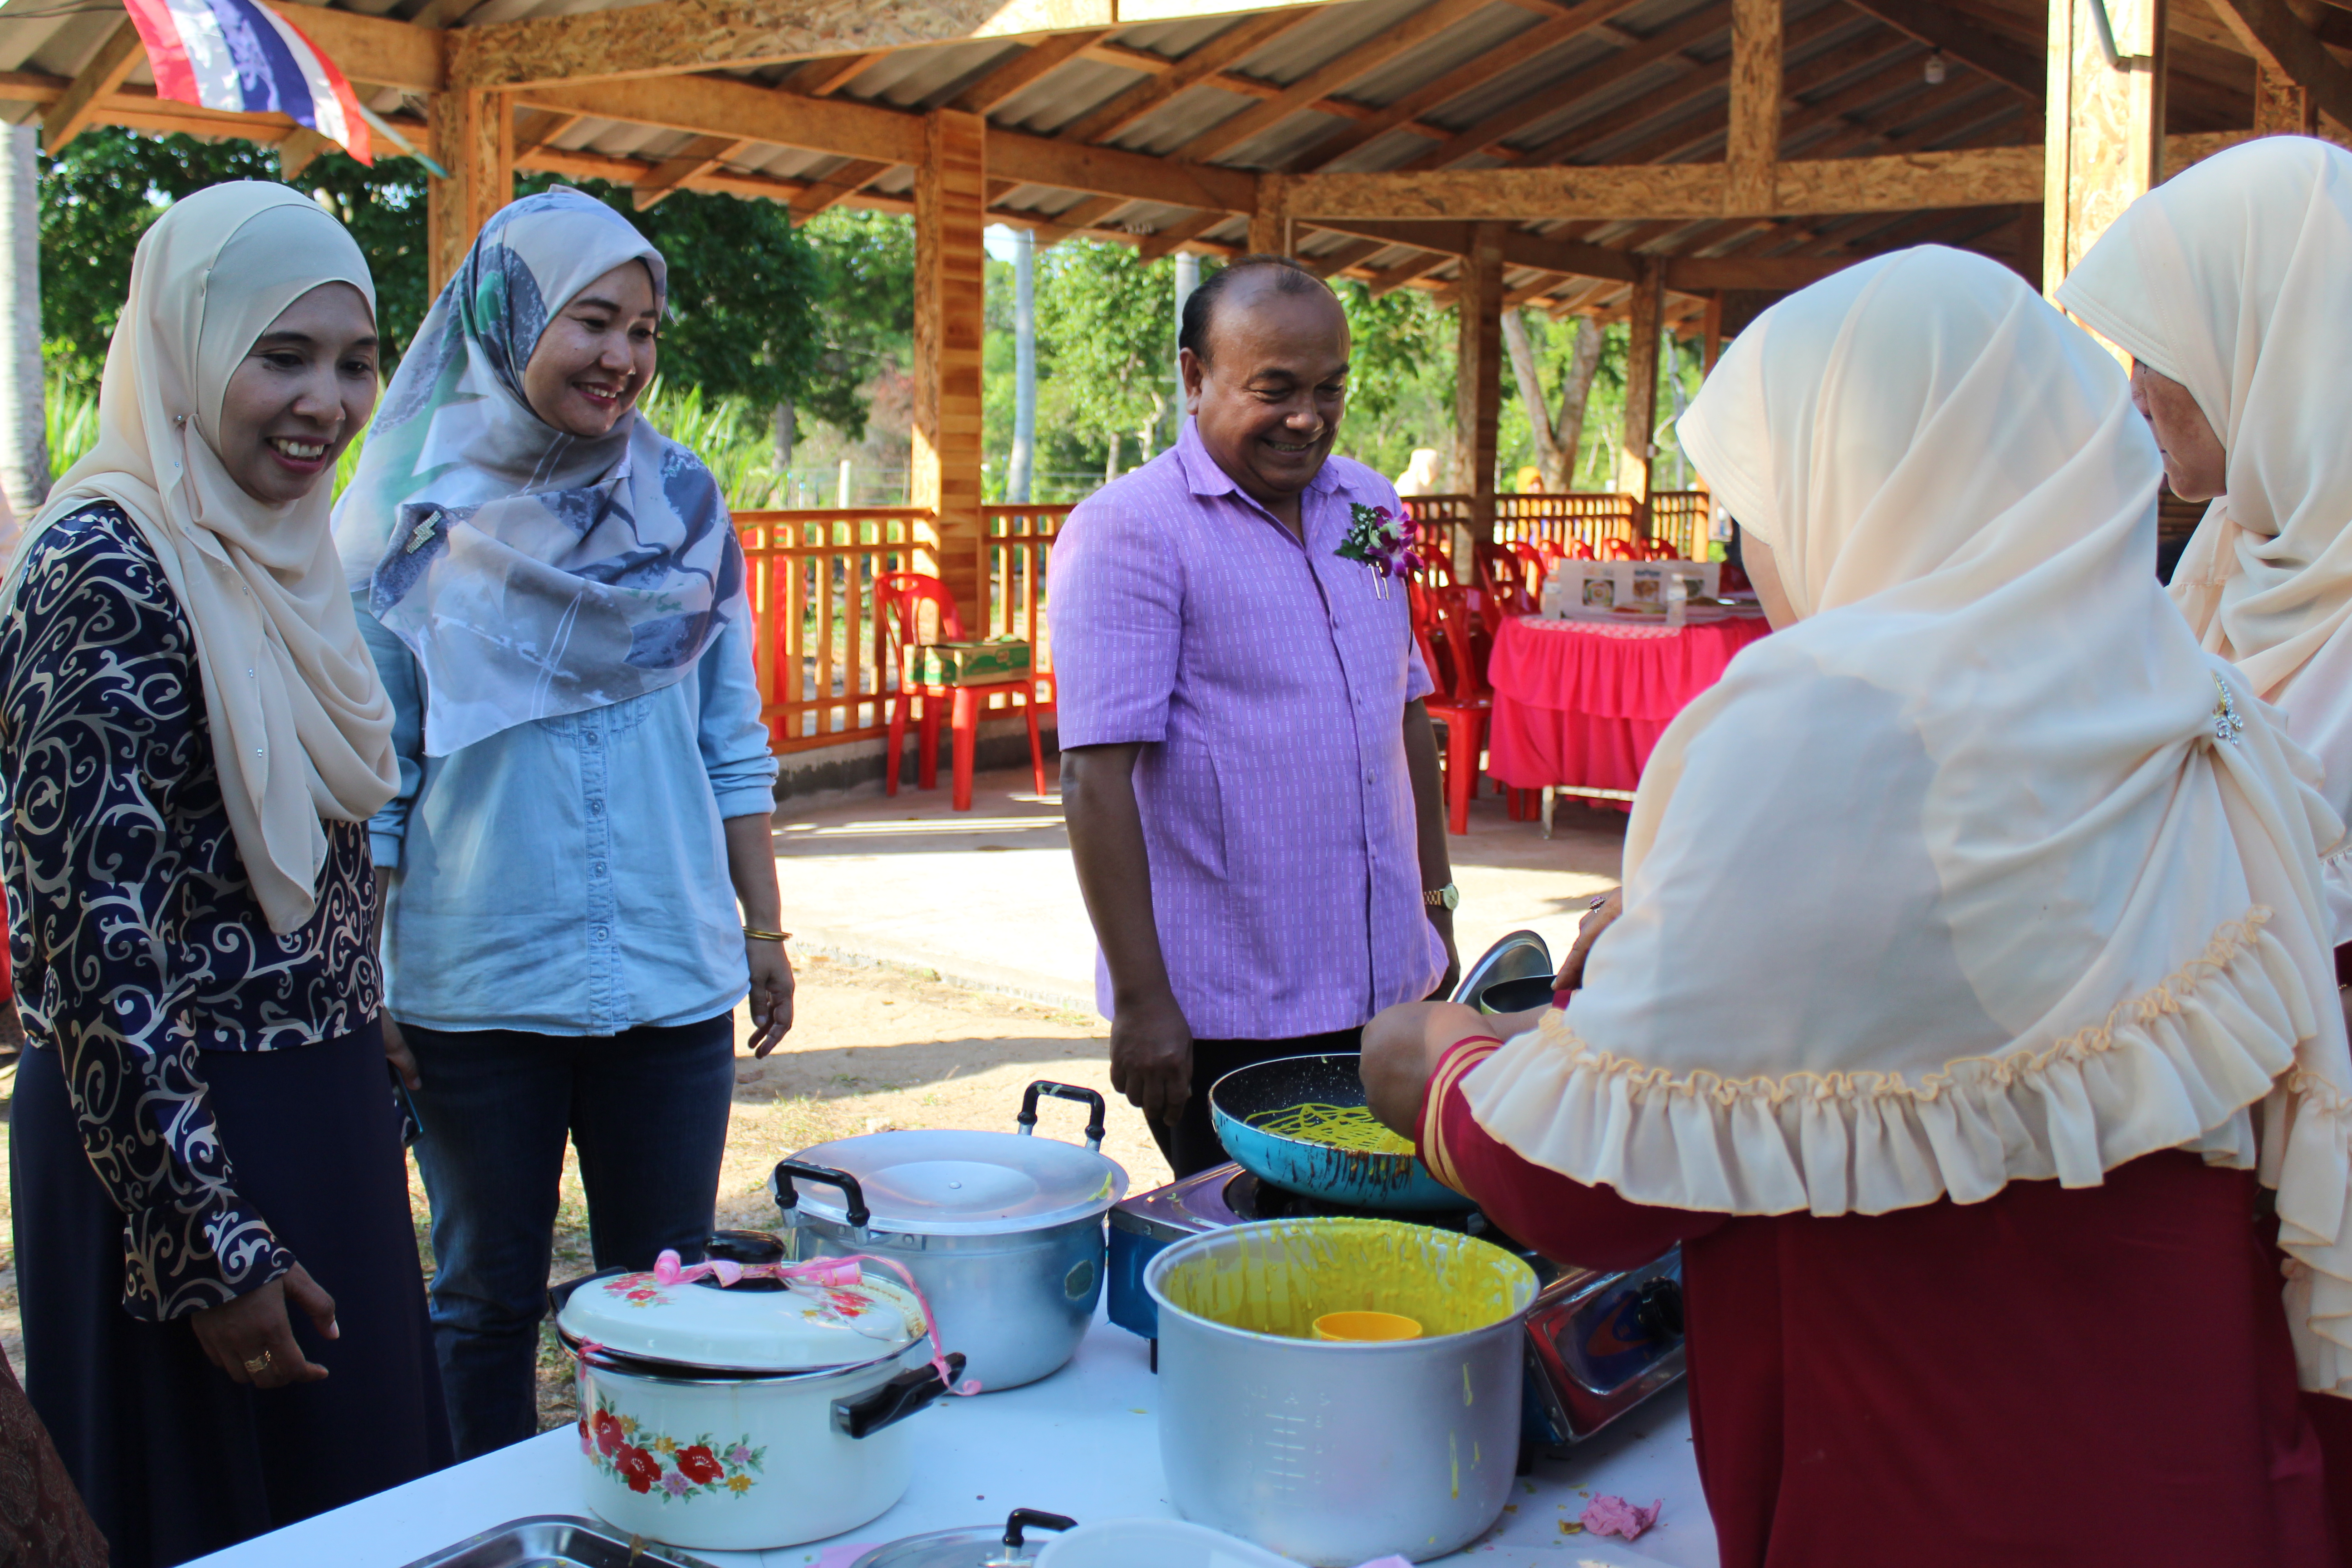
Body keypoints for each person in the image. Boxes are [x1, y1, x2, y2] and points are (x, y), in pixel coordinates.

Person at [1361, 246, 2352, 1566]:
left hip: (1924, 1480)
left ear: (1856, 483)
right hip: (2195, 1462)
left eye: (1753, 507)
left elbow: (1588, 1183)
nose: (1754, 552)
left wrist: (1440, 1068)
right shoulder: (2202, 697)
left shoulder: (1821, 732)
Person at [0, 182, 450, 1565]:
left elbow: (288, 852)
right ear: (186, 352)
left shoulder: (283, 559)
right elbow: (93, 940)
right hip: (174, 1149)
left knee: (358, 1505)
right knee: (204, 1517)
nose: (325, 401)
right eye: (281, 356)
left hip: (311, 1106)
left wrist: (352, 1005)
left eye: (355, 361)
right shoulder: (106, 567)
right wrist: (205, 1245)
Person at [334, 188, 790, 1460]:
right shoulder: (400, 525)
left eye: (644, 329)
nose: (625, 358)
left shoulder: (688, 506)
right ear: (509, 316)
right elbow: (379, 787)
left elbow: (730, 741)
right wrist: (365, 977)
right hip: (475, 990)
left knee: (673, 1290)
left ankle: (677, 1522)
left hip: (670, 968)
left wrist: (765, 928)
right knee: (481, 1303)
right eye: (593, 320)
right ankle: (480, 1528)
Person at [2055, 131, 2352, 1562]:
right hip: (2218, 1171)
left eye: (2157, 347)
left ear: (2271, 342)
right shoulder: (2241, 551)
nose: (2136, 388)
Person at [1054, 255, 1457, 1179]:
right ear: (1195, 377)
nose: (1307, 418)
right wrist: (1146, 1003)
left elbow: (1404, 708)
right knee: (1271, 1267)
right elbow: (1095, 775)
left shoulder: (1371, 507)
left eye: (1329, 389)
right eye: (1274, 389)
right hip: (1229, 1012)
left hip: (1391, 985)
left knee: (1384, 1252)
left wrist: (1434, 909)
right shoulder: (1132, 530)